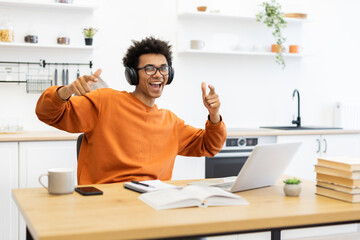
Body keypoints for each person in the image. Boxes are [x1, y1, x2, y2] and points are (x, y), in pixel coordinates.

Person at [35, 36, 226, 185]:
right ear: (132, 74)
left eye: (163, 68)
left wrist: (214, 115)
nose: (158, 74)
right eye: (149, 68)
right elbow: (48, 113)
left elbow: (210, 145)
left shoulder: (171, 122)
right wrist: (65, 92)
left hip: (152, 204)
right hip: (105, 204)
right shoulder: (104, 101)